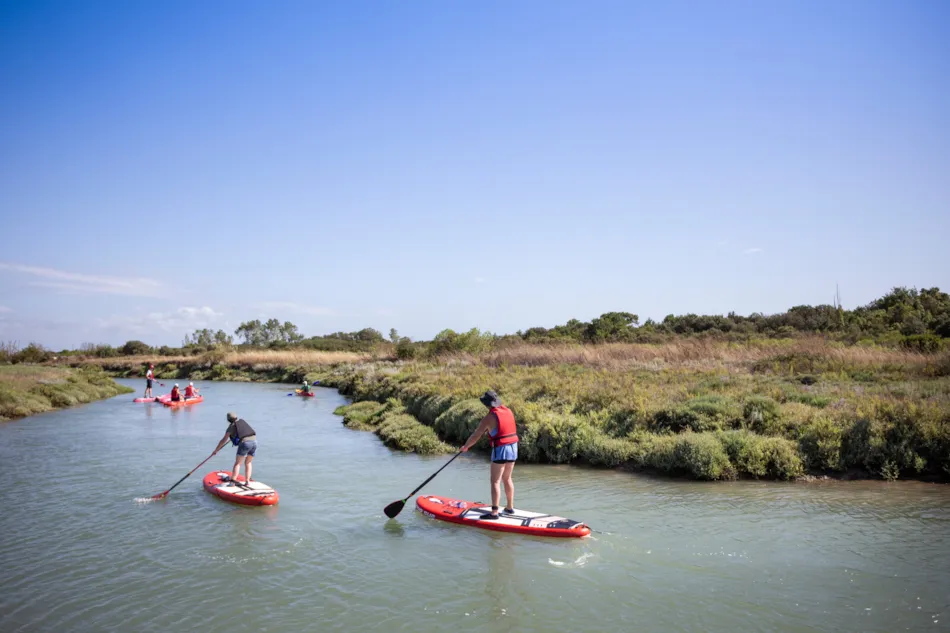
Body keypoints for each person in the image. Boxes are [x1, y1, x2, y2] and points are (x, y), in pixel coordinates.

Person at [460, 390, 519, 520]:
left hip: (501, 449)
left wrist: (466, 447)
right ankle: (509, 508)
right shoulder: (508, 411)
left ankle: (494, 513)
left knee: (495, 481)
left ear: (486, 404)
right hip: (513, 447)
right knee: (507, 478)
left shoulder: (489, 418)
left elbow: (476, 435)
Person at [214, 412, 257, 485]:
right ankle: (247, 481)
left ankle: (232, 482)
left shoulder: (231, 427)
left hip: (245, 443)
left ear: (228, 420)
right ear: (236, 417)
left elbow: (223, 440)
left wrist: (216, 450)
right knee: (248, 462)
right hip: (254, 442)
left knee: (238, 463)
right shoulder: (242, 421)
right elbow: (244, 432)